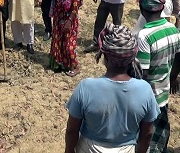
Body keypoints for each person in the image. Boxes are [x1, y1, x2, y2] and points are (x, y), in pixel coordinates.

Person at [65, 24, 160, 153]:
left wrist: (69, 150)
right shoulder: (145, 90)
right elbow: (147, 133)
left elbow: (72, 130)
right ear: (132, 57)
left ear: (106, 56)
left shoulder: (86, 87)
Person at [136, 0, 180, 152]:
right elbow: (179, 58)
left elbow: (142, 74)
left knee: (144, 138)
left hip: (148, 98)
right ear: (162, 7)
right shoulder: (173, 29)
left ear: (141, 7)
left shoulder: (144, 36)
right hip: (163, 92)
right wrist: (173, 77)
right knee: (160, 134)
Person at [49, 0, 83, 77]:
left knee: (68, 44)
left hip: (69, 18)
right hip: (59, 16)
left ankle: (75, 66)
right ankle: (59, 64)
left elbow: (75, 6)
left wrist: (69, 21)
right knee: (58, 40)